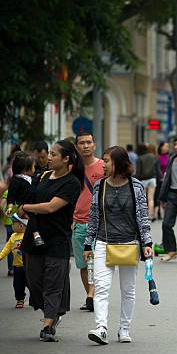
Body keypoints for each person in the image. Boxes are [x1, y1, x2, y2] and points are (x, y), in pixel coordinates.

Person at [83, 146, 153, 345]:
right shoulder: (100, 186)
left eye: (107, 161)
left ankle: (124, 328)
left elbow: (142, 216)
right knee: (102, 288)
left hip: (130, 244)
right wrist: (89, 244)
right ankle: (101, 328)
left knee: (128, 290)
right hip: (104, 243)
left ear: (119, 163)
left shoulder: (135, 186)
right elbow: (94, 216)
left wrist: (147, 242)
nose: (103, 164)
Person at [19, 140, 83, 342]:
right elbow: (32, 198)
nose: (49, 157)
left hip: (57, 239)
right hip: (34, 238)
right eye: (50, 153)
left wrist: (27, 207)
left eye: (54, 154)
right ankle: (53, 312)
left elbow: (50, 207)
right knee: (34, 281)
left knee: (53, 284)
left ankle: (48, 324)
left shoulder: (72, 183)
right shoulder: (43, 176)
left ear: (66, 159)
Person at [72, 131, 105, 312]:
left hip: (99, 223)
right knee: (83, 265)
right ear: (76, 147)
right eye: (82, 143)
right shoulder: (72, 169)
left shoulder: (103, 167)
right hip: (77, 223)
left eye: (89, 142)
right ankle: (90, 296)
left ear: (94, 145)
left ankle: (93, 295)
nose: (85, 146)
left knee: (97, 262)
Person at [6, 152, 44, 246]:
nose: (34, 168)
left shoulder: (32, 178)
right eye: (33, 166)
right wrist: (10, 207)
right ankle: (36, 235)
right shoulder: (16, 181)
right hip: (25, 205)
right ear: (25, 169)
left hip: (35, 204)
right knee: (32, 217)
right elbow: (11, 195)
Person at [0, 213, 29, 308]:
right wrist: (0, 257)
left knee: (32, 284)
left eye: (13, 223)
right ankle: (20, 299)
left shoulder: (28, 235)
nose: (12, 225)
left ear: (21, 225)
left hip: (29, 266)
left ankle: (36, 298)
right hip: (17, 266)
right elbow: (7, 248)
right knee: (17, 285)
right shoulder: (13, 236)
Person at [136, 143, 161, 220]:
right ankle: (151, 215)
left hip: (143, 180)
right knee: (151, 198)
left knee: (144, 199)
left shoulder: (139, 158)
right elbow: (157, 170)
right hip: (152, 179)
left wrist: (137, 180)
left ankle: (144, 215)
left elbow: (138, 172)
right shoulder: (153, 157)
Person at [154, 141, 170, 221]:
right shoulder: (158, 157)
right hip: (160, 179)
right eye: (165, 146)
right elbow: (157, 169)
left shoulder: (169, 157)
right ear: (161, 147)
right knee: (159, 196)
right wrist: (161, 177)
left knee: (167, 196)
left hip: (167, 179)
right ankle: (158, 212)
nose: (167, 148)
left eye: (168, 146)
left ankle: (167, 212)